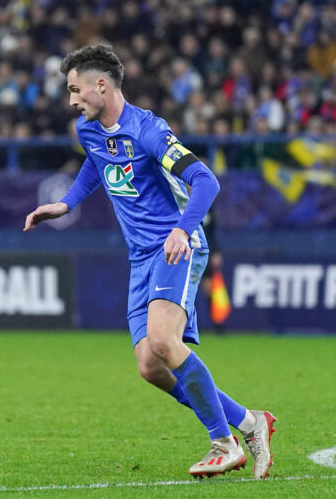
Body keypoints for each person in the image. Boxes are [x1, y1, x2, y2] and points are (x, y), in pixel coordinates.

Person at [23, 45, 277, 479]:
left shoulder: (149, 132)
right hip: (141, 257)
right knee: (149, 366)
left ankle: (223, 443)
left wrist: (181, 229)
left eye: (75, 90)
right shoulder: (89, 130)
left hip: (175, 246)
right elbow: (96, 164)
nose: (71, 100)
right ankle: (252, 423)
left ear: (100, 85)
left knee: (163, 341)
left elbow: (206, 181)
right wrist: (65, 205)